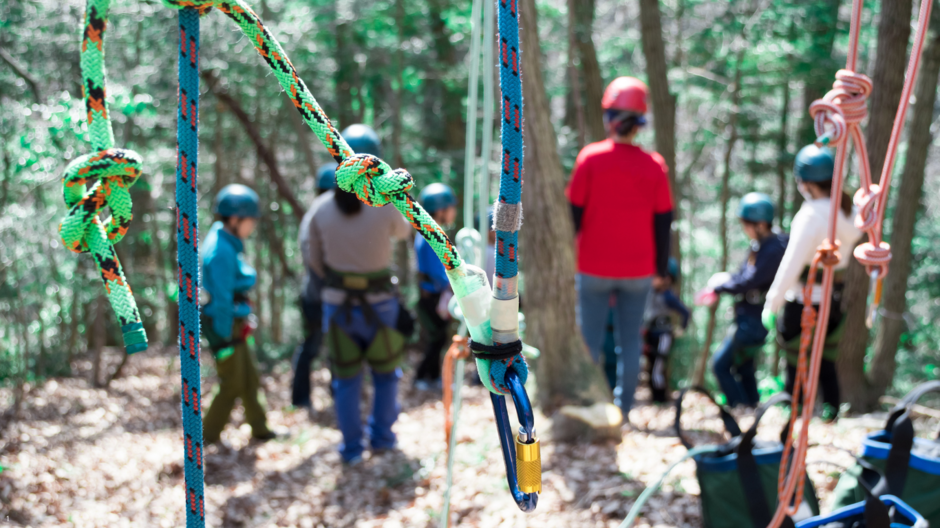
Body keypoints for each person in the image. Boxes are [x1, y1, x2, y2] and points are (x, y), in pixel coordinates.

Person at [565, 76, 674, 417]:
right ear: (639, 123)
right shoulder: (654, 165)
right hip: (638, 270)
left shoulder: (590, 159)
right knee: (629, 342)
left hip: (592, 266)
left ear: (610, 117)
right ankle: (622, 411)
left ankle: (592, 405)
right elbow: (663, 222)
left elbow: (574, 216)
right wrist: (660, 269)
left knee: (590, 341)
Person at [307, 124, 413, 463]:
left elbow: (312, 258)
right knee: (385, 375)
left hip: (338, 306)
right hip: (380, 304)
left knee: (346, 380)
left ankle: (352, 448)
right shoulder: (385, 205)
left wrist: (338, 279)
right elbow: (403, 232)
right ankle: (382, 437)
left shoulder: (321, 209)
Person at [765, 145, 862, 422]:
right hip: (833, 301)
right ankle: (831, 414)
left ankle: (793, 415)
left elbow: (791, 264)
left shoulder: (811, 216)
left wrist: (773, 303)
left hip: (804, 301)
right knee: (826, 360)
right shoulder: (847, 212)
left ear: (805, 182)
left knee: (796, 360)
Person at [201, 184, 278, 445]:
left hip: (235, 324)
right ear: (234, 219)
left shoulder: (227, 243)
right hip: (226, 326)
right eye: (250, 220)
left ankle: (260, 429)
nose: (252, 226)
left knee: (249, 378)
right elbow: (222, 299)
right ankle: (206, 437)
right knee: (232, 382)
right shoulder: (221, 250)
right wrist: (224, 338)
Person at [707, 192, 787, 408]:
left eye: (746, 224)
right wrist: (725, 280)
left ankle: (739, 408)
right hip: (748, 317)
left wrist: (720, 286)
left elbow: (749, 282)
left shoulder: (774, 249)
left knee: (720, 365)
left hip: (753, 321)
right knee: (744, 367)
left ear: (760, 224)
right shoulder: (759, 246)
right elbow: (743, 275)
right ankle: (751, 407)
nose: (744, 229)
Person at [292, 162, 339, 410]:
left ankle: (336, 394)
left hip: (326, 294)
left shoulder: (323, 215)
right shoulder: (317, 216)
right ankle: (300, 398)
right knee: (311, 348)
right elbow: (313, 258)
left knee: (335, 349)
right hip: (317, 296)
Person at [413, 182, 458, 391]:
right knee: (435, 339)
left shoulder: (429, 231)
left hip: (432, 295)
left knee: (438, 340)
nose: (454, 212)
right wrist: (454, 282)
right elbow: (436, 271)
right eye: (451, 208)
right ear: (441, 210)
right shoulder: (429, 234)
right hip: (431, 297)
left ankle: (431, 377)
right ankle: (423, 377)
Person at [642, 258, 690, 403]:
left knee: (657, 368)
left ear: (667, 278)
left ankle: (660, 398)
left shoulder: (668, 296)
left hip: (663, 335)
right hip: (650, 334)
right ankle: (654, 397)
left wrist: (681, 329)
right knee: (651, 366)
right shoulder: (650, 292)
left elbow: (686, 312)